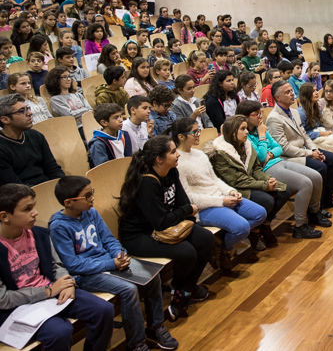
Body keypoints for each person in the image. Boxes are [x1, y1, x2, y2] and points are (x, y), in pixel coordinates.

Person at [49, 176, 178, 351]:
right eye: (87, 196)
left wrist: (119, 254)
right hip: (86, 275)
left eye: (91, 193)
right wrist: (112, 264)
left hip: (110, 262)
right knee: (129, 290)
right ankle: (136, 342)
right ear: (69, 202)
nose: (92, 198)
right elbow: (73, 264)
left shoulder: (91, 213)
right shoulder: (59, 226)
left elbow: (109, 239)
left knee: (152, 276)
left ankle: (155, 327)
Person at [0, 183, 114, 351]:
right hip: (19, 306)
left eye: (34, 206)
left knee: (104, 310)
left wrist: (66, 282)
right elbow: (2, 299)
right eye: (27, 209)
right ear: (4, 216)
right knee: (60, 331)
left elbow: (56, 264)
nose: (35, 213)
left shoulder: (39, 234)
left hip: (52, 292)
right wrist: (48, 291)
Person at [118, 136, 215, 319]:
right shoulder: (147, 182)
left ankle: (184, 289)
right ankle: (183, 293)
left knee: (206, 239)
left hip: (166, 226)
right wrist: (185, 210)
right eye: (172, 151)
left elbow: (182, 203)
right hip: (138, 235)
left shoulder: (171, 171)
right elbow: (164, 220)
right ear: (159, 159)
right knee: (187, 252)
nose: (178, 154)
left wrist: (184, 210)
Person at [171, 117, 267, 269]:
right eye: (194, 132)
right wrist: (221, 201)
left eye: (199, 130)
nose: (198, 134)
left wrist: (231, 191)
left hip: (220, 197)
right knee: (242, 227)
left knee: (260, 213)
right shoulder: (177, 162)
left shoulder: (199, 154)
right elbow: (190, 197)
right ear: (181, 137)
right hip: (204, 207)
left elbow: (215, 180)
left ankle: (221, 242)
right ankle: (225, 250)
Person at [236, 100, 323, 240]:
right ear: (245, 116)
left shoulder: (260, 128)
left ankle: (314, 212)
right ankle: (300, 226)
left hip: (278, 161)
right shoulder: (247, 135)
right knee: (305, 183)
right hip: (265, 169)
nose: (260, 116)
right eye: (256, 114)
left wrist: (270, 153)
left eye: (261, 113)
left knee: (316, 176)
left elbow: (278, 148)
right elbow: (261, 158)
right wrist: (263, 137)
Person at [266, 80, 333, 212]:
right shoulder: (274, 118)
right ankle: (315, 208)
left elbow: (305, 136)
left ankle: (326, 200)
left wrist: (314, 149)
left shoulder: (294, 112)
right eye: (287, 92)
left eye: (291, 91)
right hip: (288, 158)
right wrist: (309, 153)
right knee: (320, 167)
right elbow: (284, 148)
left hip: (303, 150)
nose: (292, 94)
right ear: (277, 97)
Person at [0, 93, 64, 186]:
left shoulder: (36, 136)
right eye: (22, 111)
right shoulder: (2, 148)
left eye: (28, 108)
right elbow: (14, 187)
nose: (30, 113)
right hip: (24, 196)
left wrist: (63, 186)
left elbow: (53, 169)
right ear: (5, 119)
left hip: (48, 188)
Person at [44, 66, 92, 140]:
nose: (68, 79)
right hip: (76, 128)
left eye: (69, 76)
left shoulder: (77, 95)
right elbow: (69, 115)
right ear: (55, 80)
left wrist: (78, 115)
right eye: (64, 77)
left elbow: (90, 109)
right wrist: (84, 110)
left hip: (88, 123)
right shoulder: (55, 99)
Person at [88, 103, 133, 168]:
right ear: (104, 122)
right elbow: (103, 169)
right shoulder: (98, 144)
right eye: (116, 118)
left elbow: (129, 159)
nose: (121, 120)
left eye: (120, 116)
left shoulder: (124, 135)